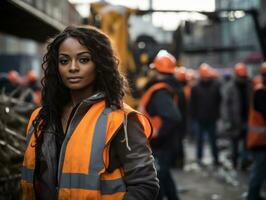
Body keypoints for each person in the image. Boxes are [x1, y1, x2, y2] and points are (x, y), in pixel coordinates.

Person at [21, 26, 159, 200]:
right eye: (64, 61)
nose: (73, 68)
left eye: (84, 60)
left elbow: (145, 185)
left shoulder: (119, 120)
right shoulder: (40, 118)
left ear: (99, 64)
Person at [139, 50, 181, 200]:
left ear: (156, 71)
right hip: (163, 145)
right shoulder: (164, 89)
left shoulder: (160, 92)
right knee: (164, 177)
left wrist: (157, 133)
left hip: (160, 145)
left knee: (157, 183)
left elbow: (174, 118)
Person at [221, 63, 252, 170]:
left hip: (248, 119)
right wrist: (227, 121)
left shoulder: (250, 85)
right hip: (234, 121)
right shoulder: (230, 87)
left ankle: (244, 163)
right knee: (234, 144)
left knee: (246, 144)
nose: (242, 78)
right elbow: (225, 105)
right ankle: (235, 163)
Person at [190, 63, 221, 167]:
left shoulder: (215, 87)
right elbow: (192, 104)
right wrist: (193, 117)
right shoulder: (195, 88)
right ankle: (199, 159)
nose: (206, 78)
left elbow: (219, 102)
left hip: (212, 118)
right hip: (200, 119)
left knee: (213, 140)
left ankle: (216, 159)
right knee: (200, 140)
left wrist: (217, 115)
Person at [246, 63, 266, 200]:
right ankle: (252, 196)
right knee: (259, 170)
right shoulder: (260, 92)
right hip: (260, 139)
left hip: (262, 138)